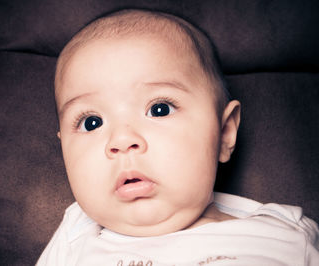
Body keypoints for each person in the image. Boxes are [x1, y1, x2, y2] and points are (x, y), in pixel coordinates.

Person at [37, 9, 319, 265]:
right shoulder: (75, 239)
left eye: (159, 109)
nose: (122, 140)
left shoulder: (284, 235)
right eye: (91, 122)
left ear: (224, 133)